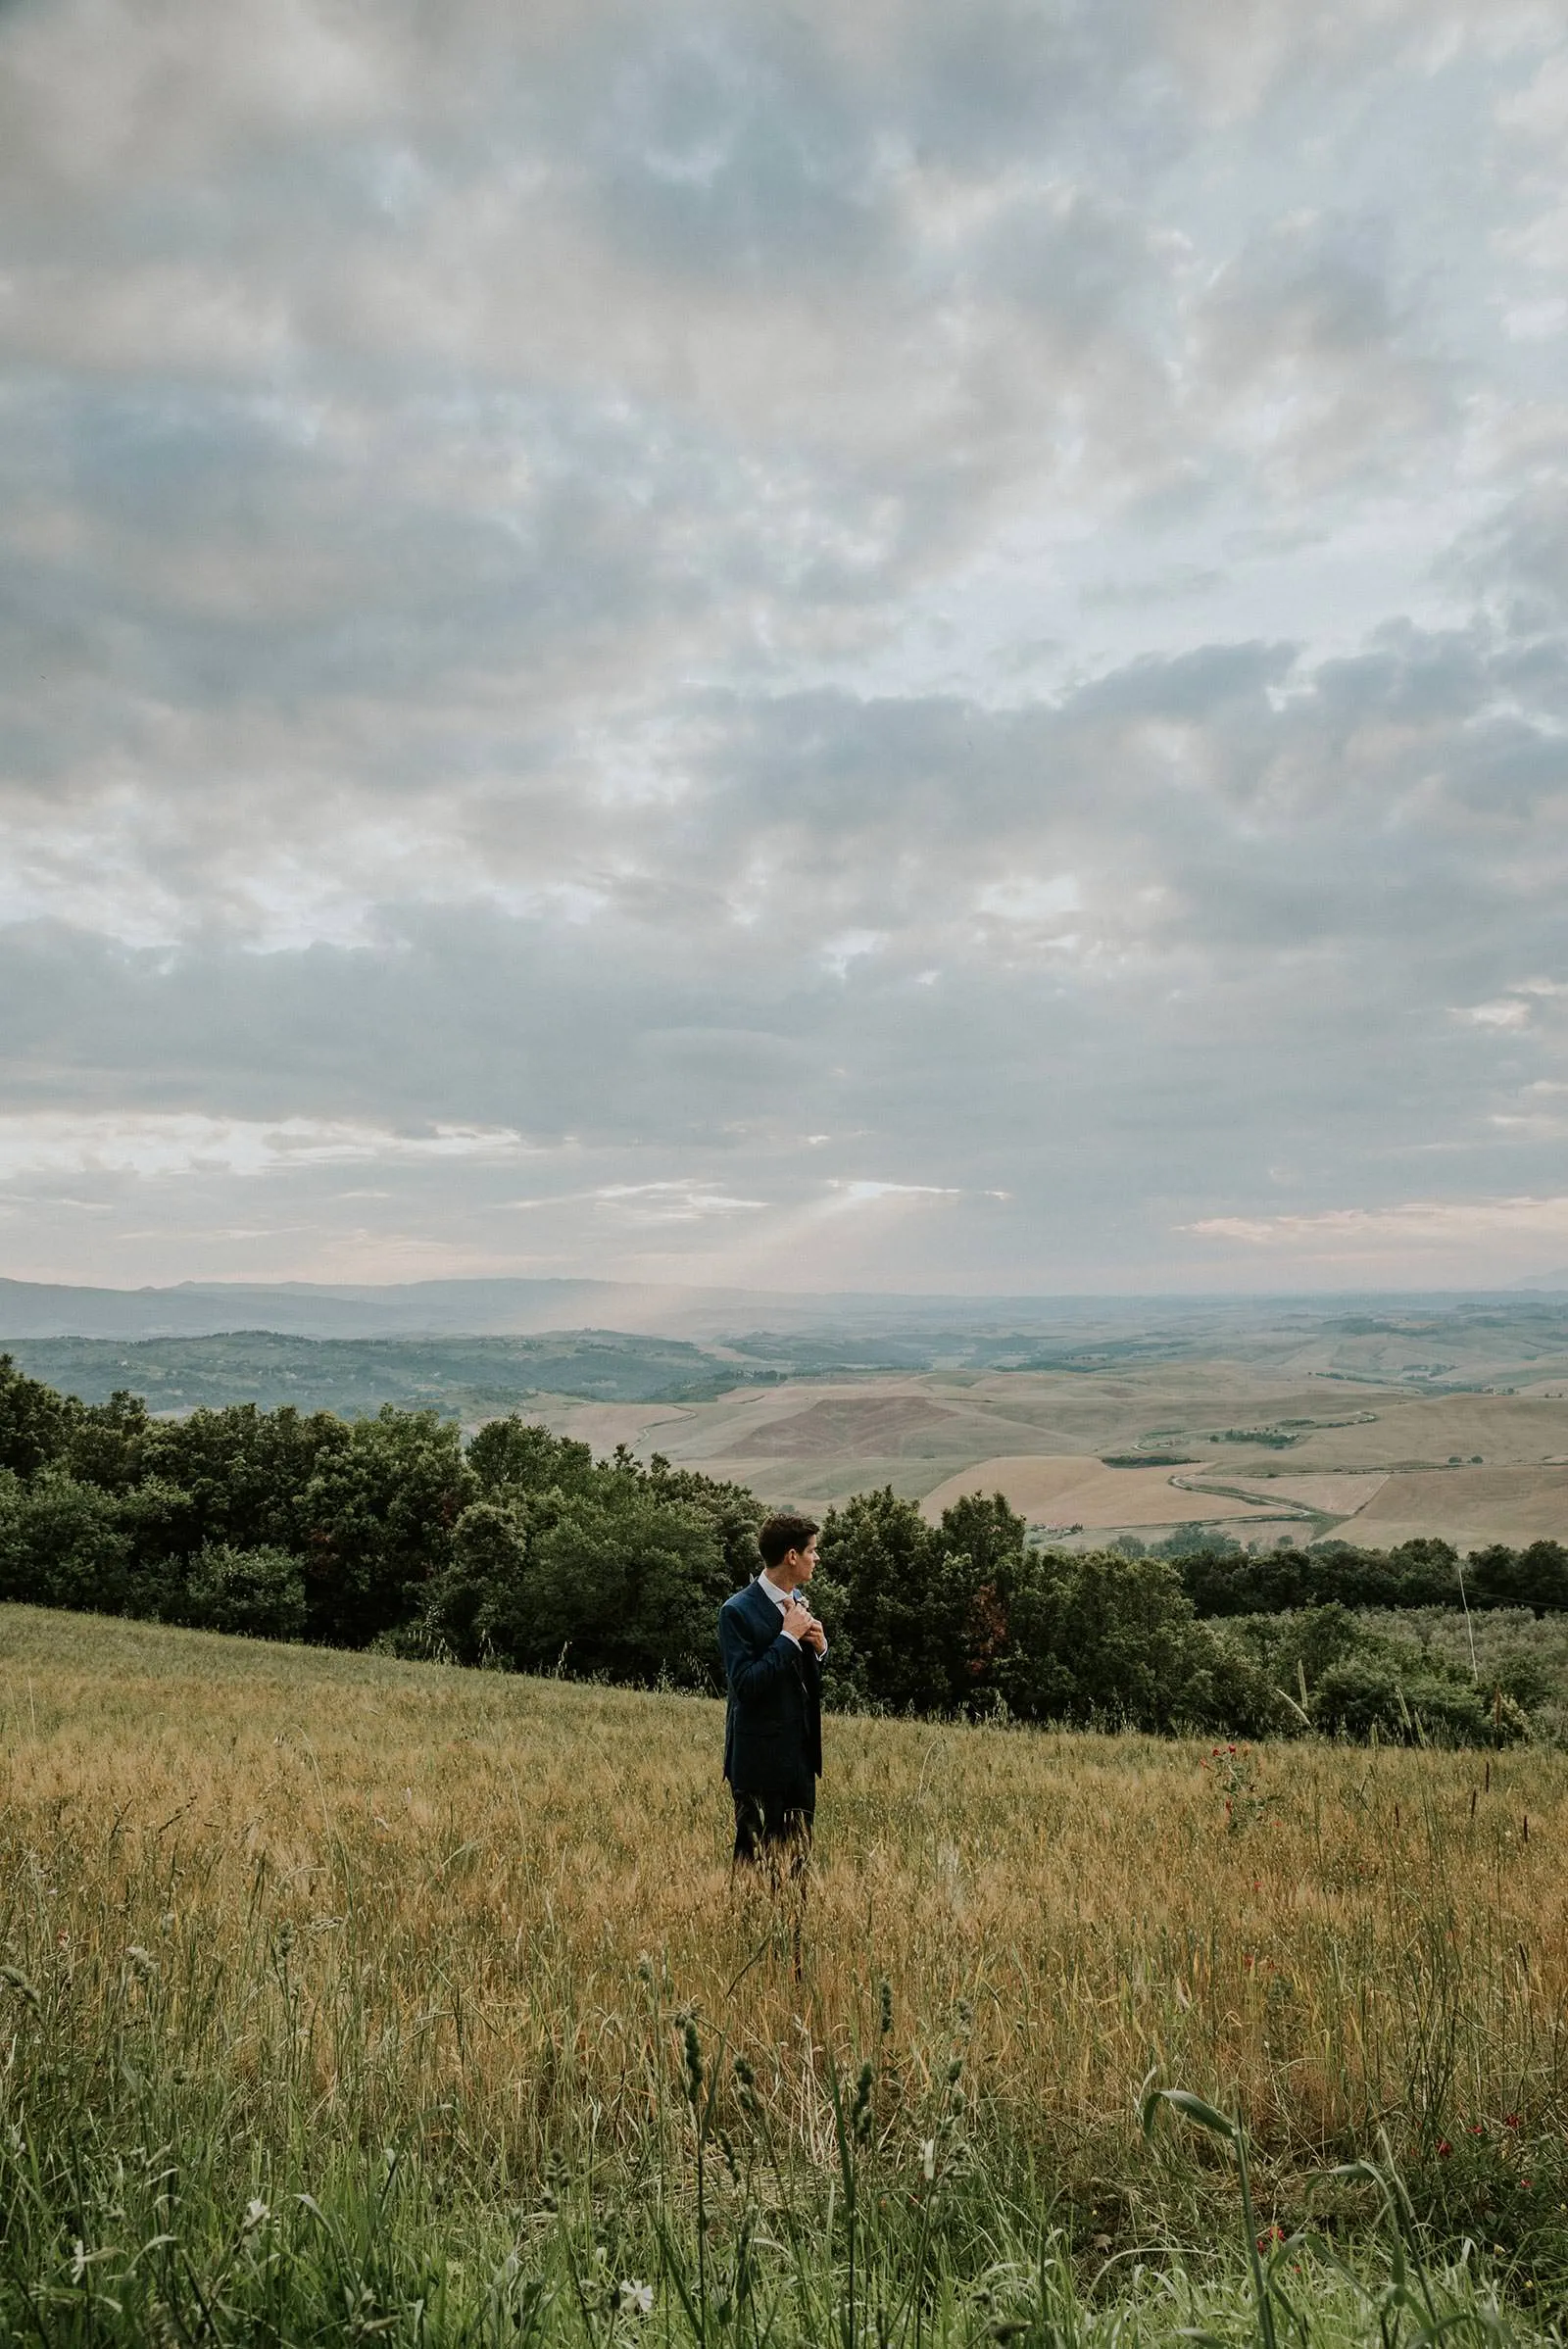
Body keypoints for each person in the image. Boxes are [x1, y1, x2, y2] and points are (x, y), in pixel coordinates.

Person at [718, 1510, 827, 1876]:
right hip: (758, 1762)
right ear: (791, 1556)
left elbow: (796, 1681)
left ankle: (792, 1933)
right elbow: (746, 1686)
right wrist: (787, 1638)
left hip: (799, 1759)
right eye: (812, 1550)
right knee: (754, 1865)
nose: (817, 1557)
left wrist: (820, 1649)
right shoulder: (736, 1612)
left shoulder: (796, 1602)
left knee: (797, 1866)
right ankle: (749, 1930)